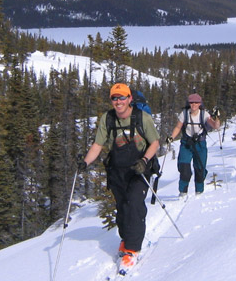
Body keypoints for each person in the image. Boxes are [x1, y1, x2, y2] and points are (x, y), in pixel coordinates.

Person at [78, 83, 160, 269]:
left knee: (134, 205)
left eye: (122, 97)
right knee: (122, 208)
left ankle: (132, 249)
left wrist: (145, 160)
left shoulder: (142, 118)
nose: (118, 101)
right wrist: (85, 162)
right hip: (117, 170)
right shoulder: (107, 119)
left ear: (130, 99)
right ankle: (126, 238)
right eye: (114, 98)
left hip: (139, 169)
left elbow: (155, 143)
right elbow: (98, 145)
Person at [166, 93, 220, 196]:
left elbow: (215, 126)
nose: (194, 104)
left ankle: (199, 191)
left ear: (200, 103)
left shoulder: (204, 114)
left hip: (200, 144)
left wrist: (216, 117)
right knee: (184, 167)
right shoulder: (184, 114)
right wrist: (172, 137)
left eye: (196, 102)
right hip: (187, 143)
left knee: (200, 168)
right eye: (191, 102)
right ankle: (183, 192)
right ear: (189, 103)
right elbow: (178, 127)